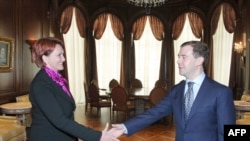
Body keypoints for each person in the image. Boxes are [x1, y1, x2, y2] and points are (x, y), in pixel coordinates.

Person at [109, 41, 236, 141]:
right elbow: (155, 112)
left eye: (183, 57)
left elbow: (227, 132)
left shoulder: (221, 92)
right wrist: (125, 127)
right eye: (178, 57)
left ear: (199, 60)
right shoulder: (176, 90)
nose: (178, 61)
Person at [29, 37, 118, 141]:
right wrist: (97, 136)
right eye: (59, 55)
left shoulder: (56, 79)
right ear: (45, 58)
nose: (63, 59)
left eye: (63, 54)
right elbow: (60, 120)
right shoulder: (41, 84)